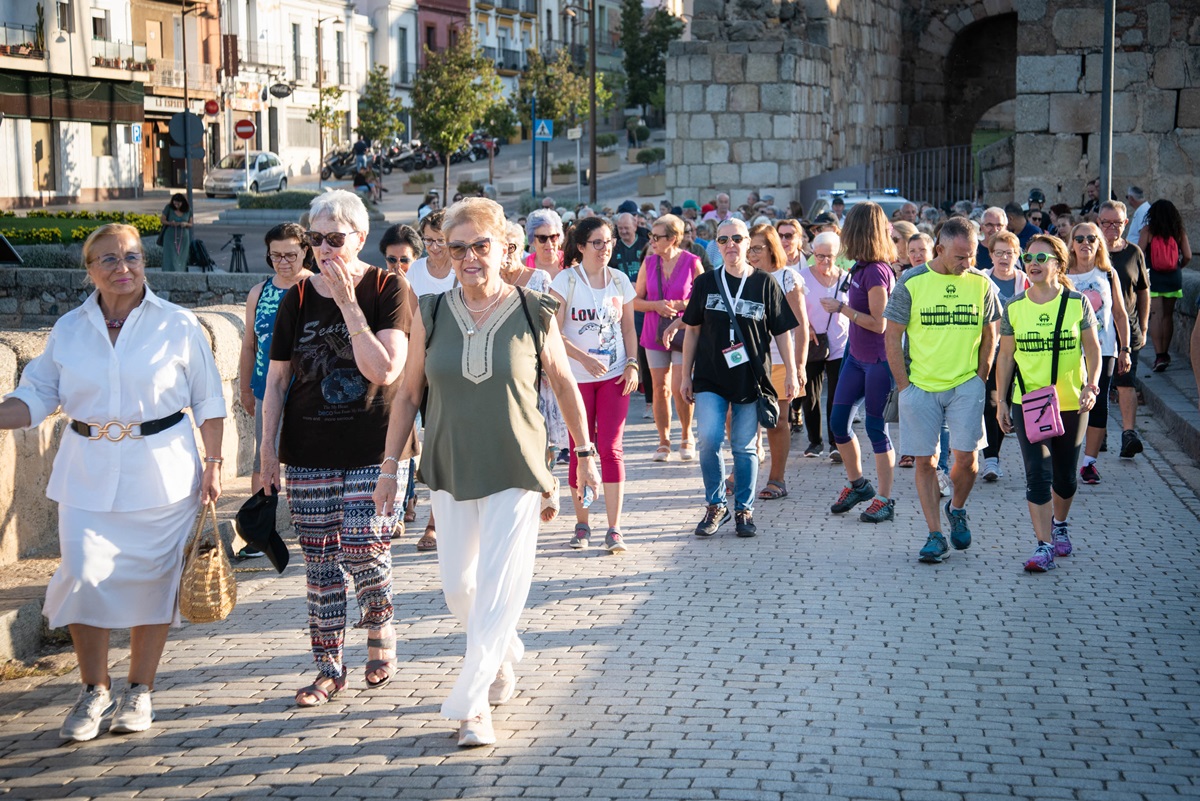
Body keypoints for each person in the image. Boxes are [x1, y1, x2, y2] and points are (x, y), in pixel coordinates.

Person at [372, 197, 599, 747]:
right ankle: (501, 648)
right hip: (448, 465)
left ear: (503, 248)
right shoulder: (429, 312)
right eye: (458, 248)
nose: (470, 257)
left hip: (517, 464)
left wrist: (585, 451)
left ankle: (473, 706)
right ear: (445, 254)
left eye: (480, 246)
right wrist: (387, 467)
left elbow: (563, 384)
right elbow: (407, 395)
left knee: (499, 583)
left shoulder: (532, 308)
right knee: (459, 587)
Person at [0, 223, 225, 740]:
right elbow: (36, 397)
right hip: (86, 473)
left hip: (163, 474)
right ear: (89, 270)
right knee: (82, 574)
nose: (123, 268)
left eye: (133, 257)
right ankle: (93, 690)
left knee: (153, 583)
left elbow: (209, 401)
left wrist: (213, 464)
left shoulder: (179, 324)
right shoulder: (69, 329)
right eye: (109, 259)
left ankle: (140, 691)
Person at [259, 190, 415, 707]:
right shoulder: (296, 298)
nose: (322, 250)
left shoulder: (388, 287)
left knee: (361, 546)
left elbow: (385, 369)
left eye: (334, 239)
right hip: (308, 450)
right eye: (315, 240)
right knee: (321, 564)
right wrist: (266, 454)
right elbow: (277, 383)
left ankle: (380, 613)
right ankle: (328, 668)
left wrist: (348, 304)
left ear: (360, 239)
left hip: (377, 447)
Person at [885, 216, 1001, 560]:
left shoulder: (980, 283)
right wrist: (904, 386)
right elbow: (891, 336)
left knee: (967, 461)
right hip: (920, 385)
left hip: (966, 385)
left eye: (973, 255)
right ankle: (935, 534)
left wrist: (980, 378)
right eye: (960, 257)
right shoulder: (911, 281)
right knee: (926, 461)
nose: (968, 264)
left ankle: (958, 508)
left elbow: (991, 336)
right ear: (940, 249)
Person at [680, 219, 799, 539]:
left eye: (736, 238)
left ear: (748, 243)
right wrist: (684, 376)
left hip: (751, 379)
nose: (730, 244)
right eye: (723, 240)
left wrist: (792, 373)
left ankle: (744, 510)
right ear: (716, 246)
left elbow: (784, 333)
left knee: (745, 448)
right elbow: (691, 331)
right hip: (709, 377)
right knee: (707, 440)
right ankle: (716, 504)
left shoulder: (764, 283)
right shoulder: (706, 283)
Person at [995, 234, 1102, 572]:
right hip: (1027, 402)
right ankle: (1043, 546)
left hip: (1071, 400)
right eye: (1028, 258)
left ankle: (1060, 524)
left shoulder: (1076, 303)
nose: (1033, 264)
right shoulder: (1013, 306)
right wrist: (1000, 402)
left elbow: (1093, 349)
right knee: (1037, 475)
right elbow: (1006, 357)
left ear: (1059, 263)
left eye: (1042, 258)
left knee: (1065, 478)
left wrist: (1092, 385)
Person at [550, 217, 639, 552]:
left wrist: (632, 364)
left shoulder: (619, 280)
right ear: (582, 246)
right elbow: (553, 332)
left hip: (615, 377)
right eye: (598, 243)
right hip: (577, 379)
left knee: (612, 449)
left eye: (609, 242)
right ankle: (582, 524)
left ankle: (614, 528)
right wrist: (582, 358)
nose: (605, 249)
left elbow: (629, 329)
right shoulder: (566, 281)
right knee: (580, 448)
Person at [237, 223, 316, 539]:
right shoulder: (259, 292)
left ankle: (310, 524)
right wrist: (244, 388)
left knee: (309, 461)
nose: (283, 262)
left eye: (291, 255)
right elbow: (248, 344)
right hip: (264, 389)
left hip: (309, 391)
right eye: (276, 256)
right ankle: (261, 532)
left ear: (305, 252)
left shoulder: (316, 287)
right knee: (262, 458)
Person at [822, 203, 897, 523]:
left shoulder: (877, 270)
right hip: (856, 358)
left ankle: (885, 498)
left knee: (875, 429)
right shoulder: (859, 266)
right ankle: (858, 485)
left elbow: (880, 323)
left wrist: (841, 308)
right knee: (838, 424)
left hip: (879, 361)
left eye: (847, 226)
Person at [1065, 221, 1131, 485]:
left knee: (1098, 405)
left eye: (1091, 238)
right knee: (1069, 404)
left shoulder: (1108, 273)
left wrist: (1125, 349)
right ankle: (1066, 457)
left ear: (1099, 243)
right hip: (1070, 349)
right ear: (1071, 243)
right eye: (1079, 238)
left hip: (1104, 349)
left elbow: (1119, 313)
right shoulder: (1063, 274)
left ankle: (1089, 462)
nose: (1085, 243)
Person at [635, 214, 704, 462]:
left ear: (673, 239)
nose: (652, 241)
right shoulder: (649, 262)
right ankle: (663, 441)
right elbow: (635, 301)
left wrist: (678, 304)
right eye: (650, 236)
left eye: (657, 237)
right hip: (654, 331)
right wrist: (656, 305)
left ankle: (687, 434)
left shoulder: (692, 262)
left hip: (683, 330)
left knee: (679, 386)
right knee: (659, 388)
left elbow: (703, 300)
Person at [746, 223, 807, 500]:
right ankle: (741, 471)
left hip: (781, 360)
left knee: (778, 421)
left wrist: (800, 366)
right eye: (749, 248)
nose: (751, 254)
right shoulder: (744, 276)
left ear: (772, 248)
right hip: (747, 359)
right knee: (738, 417)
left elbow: (801, 326)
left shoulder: (787, 278)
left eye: (757, 248)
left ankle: (776, 479)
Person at [378, 224, 425, 523]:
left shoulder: (422, 290)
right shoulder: (379, 288)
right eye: (392, 260)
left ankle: (409, 499)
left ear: (415, 259)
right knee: (396, 445)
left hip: (417, 377)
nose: (397, 267)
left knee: (413, 445)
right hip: (389, 381)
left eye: (404, 260)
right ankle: (397, 506)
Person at [1098, 201, 1150, 458]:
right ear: (1098, 223)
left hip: (1127, 329)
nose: (1111, 228)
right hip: (1095, 330)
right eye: (1106, 222)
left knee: (1126, 381)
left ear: (1126, 224)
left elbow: (1143, 291)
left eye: (1116, 223)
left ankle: (1129, 434)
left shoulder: (1134, 253)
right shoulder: (1089, 252)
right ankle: (1099, 432)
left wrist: (1144, 324)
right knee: (1096, 382)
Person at [979, 230, 1028, 483]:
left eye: (1009, 253)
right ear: (990, 255)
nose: (1004, 258)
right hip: (991, 353)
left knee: (1012, 403)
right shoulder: (981, 281)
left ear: (1017, 254)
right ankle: (991, 460)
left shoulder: (1026, 281)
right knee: (992, 402)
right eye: (998, 253)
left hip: (1021, 355)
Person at [798, 231, 850, 459]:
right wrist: (806, 326)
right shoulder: (801, 277)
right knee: (810, 394)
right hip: (812, 343)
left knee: (837, 394)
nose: (825, 261)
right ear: (812, 254)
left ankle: (835, 442)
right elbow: (792, 308)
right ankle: (814, 442)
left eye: (829, 256)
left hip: (840, 343)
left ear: (837, 254)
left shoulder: (847, 278)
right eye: (820, 256)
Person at [1138, 199, 1191, 372]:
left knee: (1156, 315)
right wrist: (1178, 267)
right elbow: (1188, 255)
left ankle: (1159, 355)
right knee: (1168, 316)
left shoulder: (1148, 231)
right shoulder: (1178, 231)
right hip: (1173, 277)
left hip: (1154, 276)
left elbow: (1139, 253)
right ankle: (1166, 353)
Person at [526, 208, 565, 277]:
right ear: (533, 240)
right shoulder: (524, 267)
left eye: (553, 237)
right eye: (542, 238)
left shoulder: (570, 264)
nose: (549, 244)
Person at [159, 193, 192, 273]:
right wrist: (170, 223)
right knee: (170, 256)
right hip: (170, 236)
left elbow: (191, 224)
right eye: (175, 203)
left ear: (183, 203)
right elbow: (162, 220)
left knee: (181, 256)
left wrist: (185, 224)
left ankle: (180, 272)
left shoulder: (188, 210)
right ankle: (168, 272)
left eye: (178, 203)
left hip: (183, 237)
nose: (176, 205)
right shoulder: (169, 208)